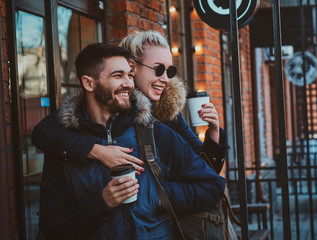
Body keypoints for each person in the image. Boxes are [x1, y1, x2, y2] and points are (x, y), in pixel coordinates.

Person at [38, 43, 226, 239]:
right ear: (89, 83)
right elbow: (51, 227)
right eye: (118, 76)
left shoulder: (155, 132)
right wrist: (100, 203)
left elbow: (212, 186)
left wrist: (156, 194)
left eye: (129, 75)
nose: (128, 83)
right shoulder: (64, 147)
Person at [32, 30, 227, 175]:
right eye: (159, 70)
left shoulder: (166, 112)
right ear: (132, 67)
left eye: (170, 71)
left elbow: (207, 169)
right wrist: (96, 151)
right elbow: (43, 133)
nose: (166, 79)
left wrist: (214, 131)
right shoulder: (104, 107)